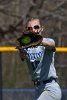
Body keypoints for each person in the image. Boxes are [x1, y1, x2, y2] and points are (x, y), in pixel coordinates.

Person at [17, 18, 62, 100]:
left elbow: (52, 44)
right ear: (27, 30)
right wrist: (21, 51)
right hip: (38, 89)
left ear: (41, 28)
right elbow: (22, 56)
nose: (33, 30)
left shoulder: (47, 41)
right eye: (30, 28)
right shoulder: (26, 47)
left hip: (50, 88)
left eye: (36, 27)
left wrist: (40, 42)